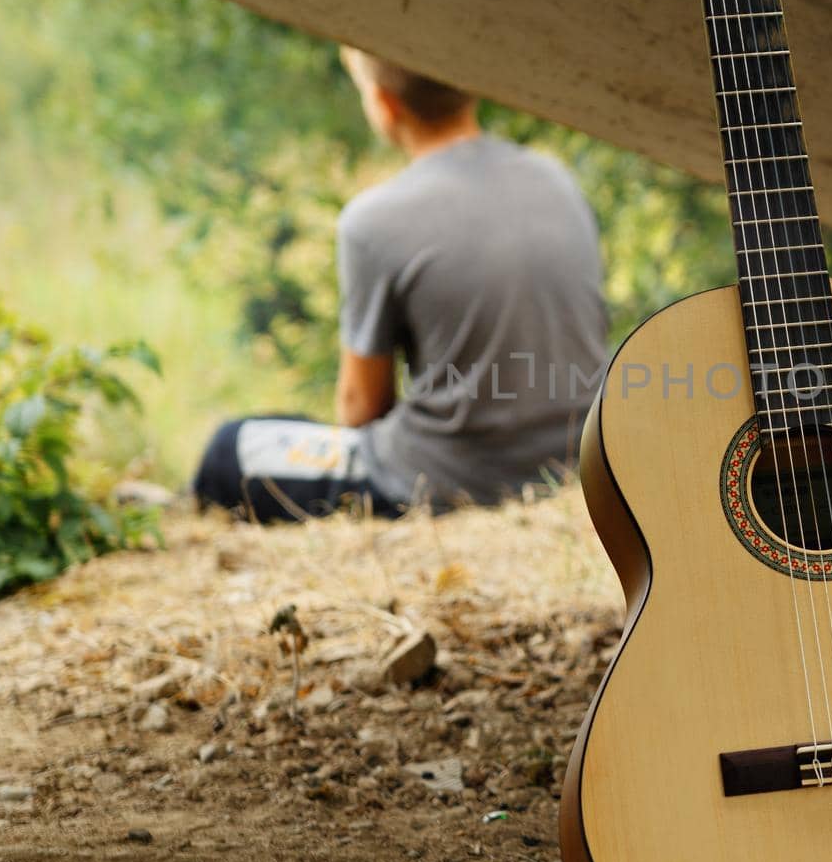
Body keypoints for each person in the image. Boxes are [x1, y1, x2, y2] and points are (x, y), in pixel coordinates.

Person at [192, 49, 607, 521]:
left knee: (229, 448)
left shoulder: (373, 221)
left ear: (386, 105)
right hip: (580, 456)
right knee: (281, 429)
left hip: (446, 479)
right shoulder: (554, 178)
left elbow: (360, 407)